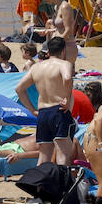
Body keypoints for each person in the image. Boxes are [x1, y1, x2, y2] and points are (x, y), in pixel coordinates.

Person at [15, 35, 75, 165]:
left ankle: (41, 185)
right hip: (59, 110)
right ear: (63, 50)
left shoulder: (36, 67)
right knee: (62, 153)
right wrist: (66, 98)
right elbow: (68, 77)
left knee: (43, 156)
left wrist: (32, 110)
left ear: (48, 51)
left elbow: (19, 89)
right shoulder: (64, 64)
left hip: (42, 113)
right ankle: (61, 184)